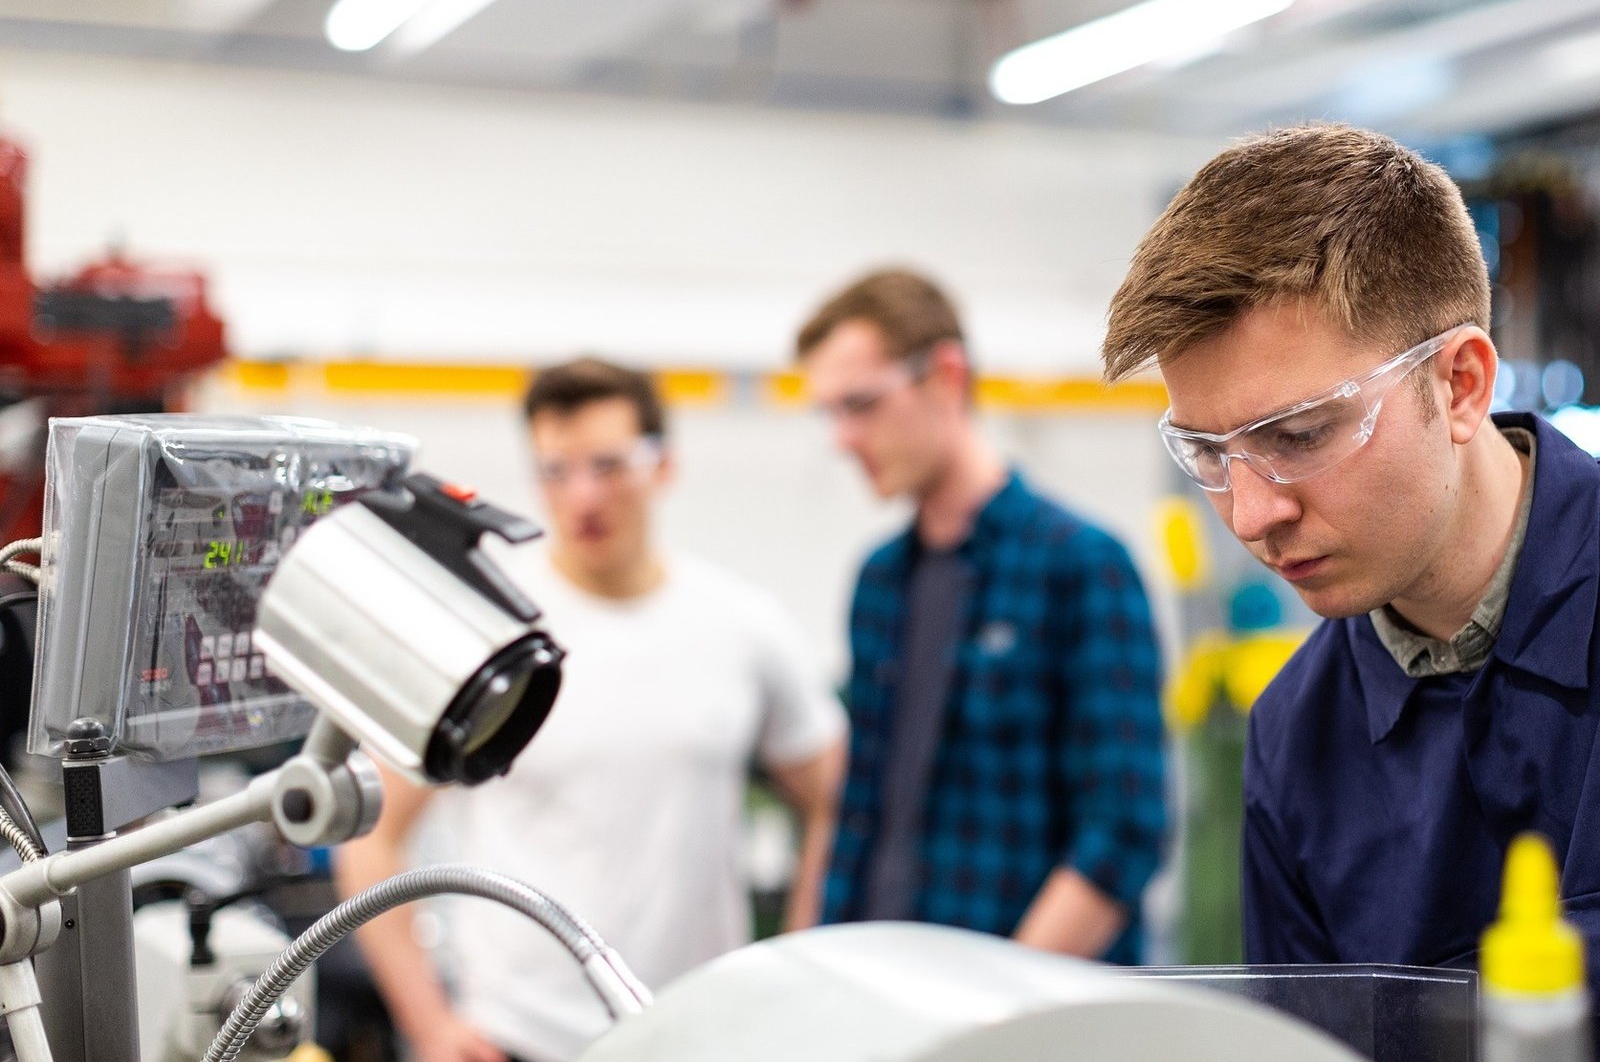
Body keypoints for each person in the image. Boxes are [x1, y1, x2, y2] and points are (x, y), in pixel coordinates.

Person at [1101, 122, 1600, 1015]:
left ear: (1460, 385)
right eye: (1208, 453)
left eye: (1297, 437)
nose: (1251, 514)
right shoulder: (1294, 737)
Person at [335, 357, 848, 1062]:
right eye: (557, 469)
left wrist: (789, 977)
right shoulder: (484, 633)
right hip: (516, 1037)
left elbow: (837, 801)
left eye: (609, 466)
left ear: (663, 465)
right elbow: (370, 832)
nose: (583, 496)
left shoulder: (742, 627)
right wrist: (428, 1023)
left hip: (694, 1036)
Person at [793, 268, 1167, 963]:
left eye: (861, 404)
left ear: (944, 376)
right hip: (888, 994)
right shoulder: (879, 582)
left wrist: (996, 1011)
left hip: (1032, 1020)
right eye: (831, 413)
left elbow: (1123, 832)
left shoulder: (1081, 565)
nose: (843, 437)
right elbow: (859, 817)